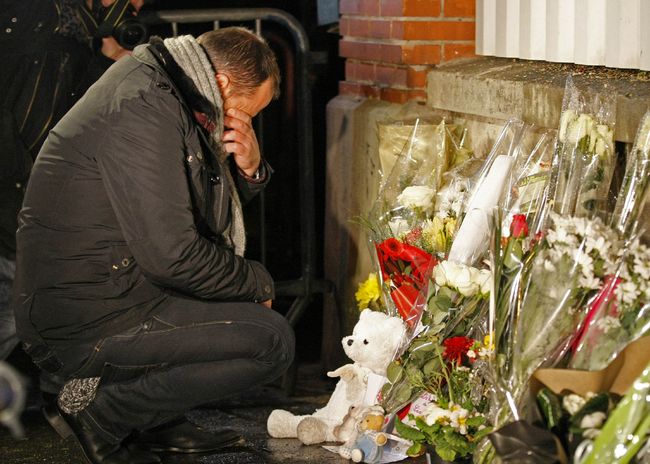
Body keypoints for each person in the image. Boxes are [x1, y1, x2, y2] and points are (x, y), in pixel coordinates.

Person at [13, 26, 295, 464]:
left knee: (245, 314)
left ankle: (154, 419)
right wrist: (256, 283)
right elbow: (174, 256)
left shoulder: (167, 89)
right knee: (271, 341)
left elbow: (200, 219)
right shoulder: (144, 105)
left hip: (120, 288)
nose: (240, 124)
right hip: (84, 315)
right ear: (221, 84)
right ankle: (104, 413)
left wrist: (249, 169)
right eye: (242, 113)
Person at [0, 0, 146, 363]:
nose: (134, 6)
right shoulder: (38, 17)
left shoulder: (76, 30)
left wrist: (109, 61)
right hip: (15, 194)